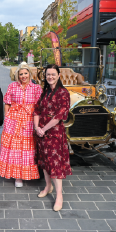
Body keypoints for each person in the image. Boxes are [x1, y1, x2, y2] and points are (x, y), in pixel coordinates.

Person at [0, 63, 42, 187]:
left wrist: (37, 123)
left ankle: (28, 174)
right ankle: (18, 177)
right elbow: (7, 103)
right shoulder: (12, 86)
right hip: (14, 120)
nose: (23, 76)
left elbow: (39, 107)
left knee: (28, 148)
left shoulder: (36, 88)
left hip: (30, 120)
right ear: (17, 75)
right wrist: (7, 118)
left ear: (29, 74)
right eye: (21, 74)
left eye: (25, 73)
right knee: (15, 149)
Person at [34, 64, 71, 211]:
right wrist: (37, 127)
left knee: (55, 163)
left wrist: (43, 128)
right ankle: (48, 186)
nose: (50, 77)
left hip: (54, 132)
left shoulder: (63, 92)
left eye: (53, 74)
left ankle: (59, 195)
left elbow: (59, 116)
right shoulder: (45, 92)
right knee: (44, 160)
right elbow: (36, 110)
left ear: (58, 75)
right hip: (41, 132)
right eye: (48, 74)